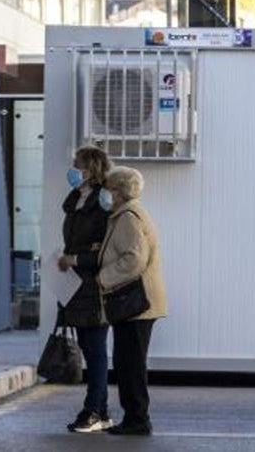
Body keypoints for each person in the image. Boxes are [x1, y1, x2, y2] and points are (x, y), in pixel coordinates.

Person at [97, 166, 167, 436]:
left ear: (118, 191)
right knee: (128, 361)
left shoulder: (128, 217)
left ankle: (138, 419)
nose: (105, 194)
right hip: (136, 301)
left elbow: (134, 259)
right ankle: (134, 417)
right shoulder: (127, 214)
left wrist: (104, 277)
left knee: (131, 363)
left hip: (137, 302)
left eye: (109, 188)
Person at [56, 146, 114, 433]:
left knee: (95, 351)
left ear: (91, 169)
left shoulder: (103, 202)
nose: (73, 168)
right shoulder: (77, 199)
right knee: (91, 351)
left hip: (93, 286)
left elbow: (105, 249)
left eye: (77, 164)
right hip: (75, 287)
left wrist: (76, 259)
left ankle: (92, 411)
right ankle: (101, 412)